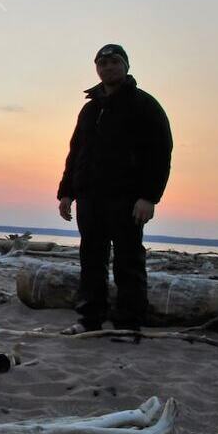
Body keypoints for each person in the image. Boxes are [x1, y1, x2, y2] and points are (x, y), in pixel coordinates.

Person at [57, 44, 172, 334]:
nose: (108, 67)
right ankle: (89, 319)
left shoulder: (144, 105)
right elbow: (76, 152)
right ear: (97, 68)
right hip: (90, 197)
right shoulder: (90, 108)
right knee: (91, 260)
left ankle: (129, 323)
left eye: (114, 62)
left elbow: (160, 153)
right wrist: (66, 192)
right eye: (102, 63)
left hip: (128, 198)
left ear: (126, 66)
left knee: (128, 261)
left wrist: (149, 197)